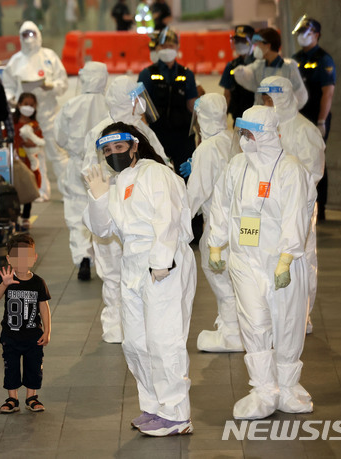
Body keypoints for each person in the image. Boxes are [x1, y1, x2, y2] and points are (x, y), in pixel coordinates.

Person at [84, 122, 196, 436]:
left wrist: (162, 260)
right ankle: (153, 407)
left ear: (134, 146)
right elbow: (103, 229)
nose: (112, 154)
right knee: (135, 342)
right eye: (106, 150)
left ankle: (176, 413)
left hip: (163, 262)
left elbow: (168, 217)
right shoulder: (118, 183)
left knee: (164, 340)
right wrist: (98, 198)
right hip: (132, 264)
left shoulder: (155, 173)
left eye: (118, 147)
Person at [208, 105, 316, 419]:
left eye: (250, 132)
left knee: (287, 324)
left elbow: (297, 215)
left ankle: (288, 386)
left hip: (280, 261)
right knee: (253, 323)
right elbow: (221, 205)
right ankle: (264, 390)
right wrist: (216, 246)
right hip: (244, 259)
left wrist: (286, 258)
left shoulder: (290, 168)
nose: (244, 138)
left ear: (266, 134)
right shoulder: (237, 165)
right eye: (241, 131)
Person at [81, 75, 170, 344]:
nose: (140, 103)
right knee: (112, 272)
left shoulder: (141, 129)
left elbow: (161, 162)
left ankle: (137, 323)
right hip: (110, 211)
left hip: (141, 215)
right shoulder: (101, 131)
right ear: (125, 99)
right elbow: (90, 171)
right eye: (136, 98)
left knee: (139, 270)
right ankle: (114, 324)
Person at [257, 75, 325, 333]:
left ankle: (302, 316)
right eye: (263, 99)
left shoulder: (305, 130)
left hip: (298, 209)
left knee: (302, 260)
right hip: (268, 209)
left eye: (270, 98)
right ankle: (274, 315)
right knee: (270, 260)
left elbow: (313, 173)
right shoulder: (264, 128)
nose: (267, 103)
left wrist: (288, 195)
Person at [183, 94, 242, 352]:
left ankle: (232, 334)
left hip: (217, 227)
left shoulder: (206, 149)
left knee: (221, 278)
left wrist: (175, 225)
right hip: (238, 225)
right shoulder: (232, 139)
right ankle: (241, 328)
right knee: (237, 279)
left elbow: (195, 194)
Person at [54, 61, 109, 281]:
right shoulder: (110, 105)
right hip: (105, 167)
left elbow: (60, 137)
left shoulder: (71, 105)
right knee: (105, 211)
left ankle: (83, 258)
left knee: (77, 214)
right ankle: (107, 263)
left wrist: (75, 150)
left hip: (77, 165)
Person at [3, 21, 69, 200]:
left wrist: (50, 86)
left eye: (32, 34)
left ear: (38, 34)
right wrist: (13, 100)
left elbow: (63, 83)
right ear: (20, 37)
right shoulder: (15, 61)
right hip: (25, 119)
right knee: (33, 156)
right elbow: (7, 86)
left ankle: (68, 191)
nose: (29, 39)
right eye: (25, 35)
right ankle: (39, 191)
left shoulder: (49, 56)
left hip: (49, 115)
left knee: (58, 154)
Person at [0, 234, 51, 414]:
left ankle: (31, 397)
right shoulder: (6, 277)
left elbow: (44, 307)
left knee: (33, 366)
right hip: (11, 335)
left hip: (33, 335)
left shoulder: (38, 282)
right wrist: (5, 284)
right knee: (11, 367)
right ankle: (12, 398)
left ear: (34, 257)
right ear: (9, 259)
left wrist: (47, 331)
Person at [291, 16, 336, 222]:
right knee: (298, 160)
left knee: (317, 162)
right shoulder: (295, 59)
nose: (301, 36)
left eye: (305, 32)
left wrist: (321, 121)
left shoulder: (324, 59)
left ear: (316, 34)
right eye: (299, 33)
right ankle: (301, 204)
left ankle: (321, 208)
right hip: (299, 118)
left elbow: (328, 93)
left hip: (316, 117)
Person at [138, 28, 198, 176]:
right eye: (163, 46)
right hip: (157, 134)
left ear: (177, 48)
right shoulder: (147, 74)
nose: (167, 50)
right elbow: (140, 107)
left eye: (170, 46)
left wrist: (200, 133)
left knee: (186, 177)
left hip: (183, 136)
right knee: (157, 176)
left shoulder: (187, 74)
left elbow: (193, 107)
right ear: (157, 48)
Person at [233, 28, 308, 110]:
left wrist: (287, 111)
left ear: (268, 45)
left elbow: (301, 95)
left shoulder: (288, 67)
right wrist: (241, 72)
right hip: (261, 115)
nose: (256, 48)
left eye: (258, 44)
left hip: (281, 117)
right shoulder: (259, 65)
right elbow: (248, 77)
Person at [13, 92, 44, 229]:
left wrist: (31, 143)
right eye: (26, 104)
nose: (28, 107)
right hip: (15, 161)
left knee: (29, 186)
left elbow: (38, 141)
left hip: (30, 162)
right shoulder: (12, 123)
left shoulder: (35, 124)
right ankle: (13, 217)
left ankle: (26, 216)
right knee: (15, 188)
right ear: (19, 104)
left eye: (31, 105)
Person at [219, 25, 257, 124]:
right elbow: (227, 96)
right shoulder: (231, 66)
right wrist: (222, 120)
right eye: (237, 40)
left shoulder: (260, 63)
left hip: (258, 118)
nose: (239, 44)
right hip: (238, 118)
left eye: (243, 40)